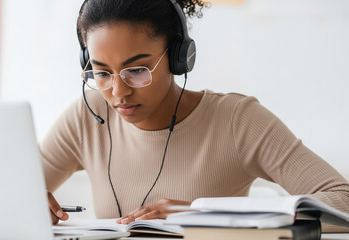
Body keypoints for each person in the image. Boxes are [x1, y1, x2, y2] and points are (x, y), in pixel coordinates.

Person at [41, 0, 349, 225]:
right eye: (102, 73)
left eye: (137, 70)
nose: (119, 92)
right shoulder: (88, 116)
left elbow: (341, 199)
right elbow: (7, 190)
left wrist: (208, 215)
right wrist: (27, 203)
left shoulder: (236, 120)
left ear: (179, 58)